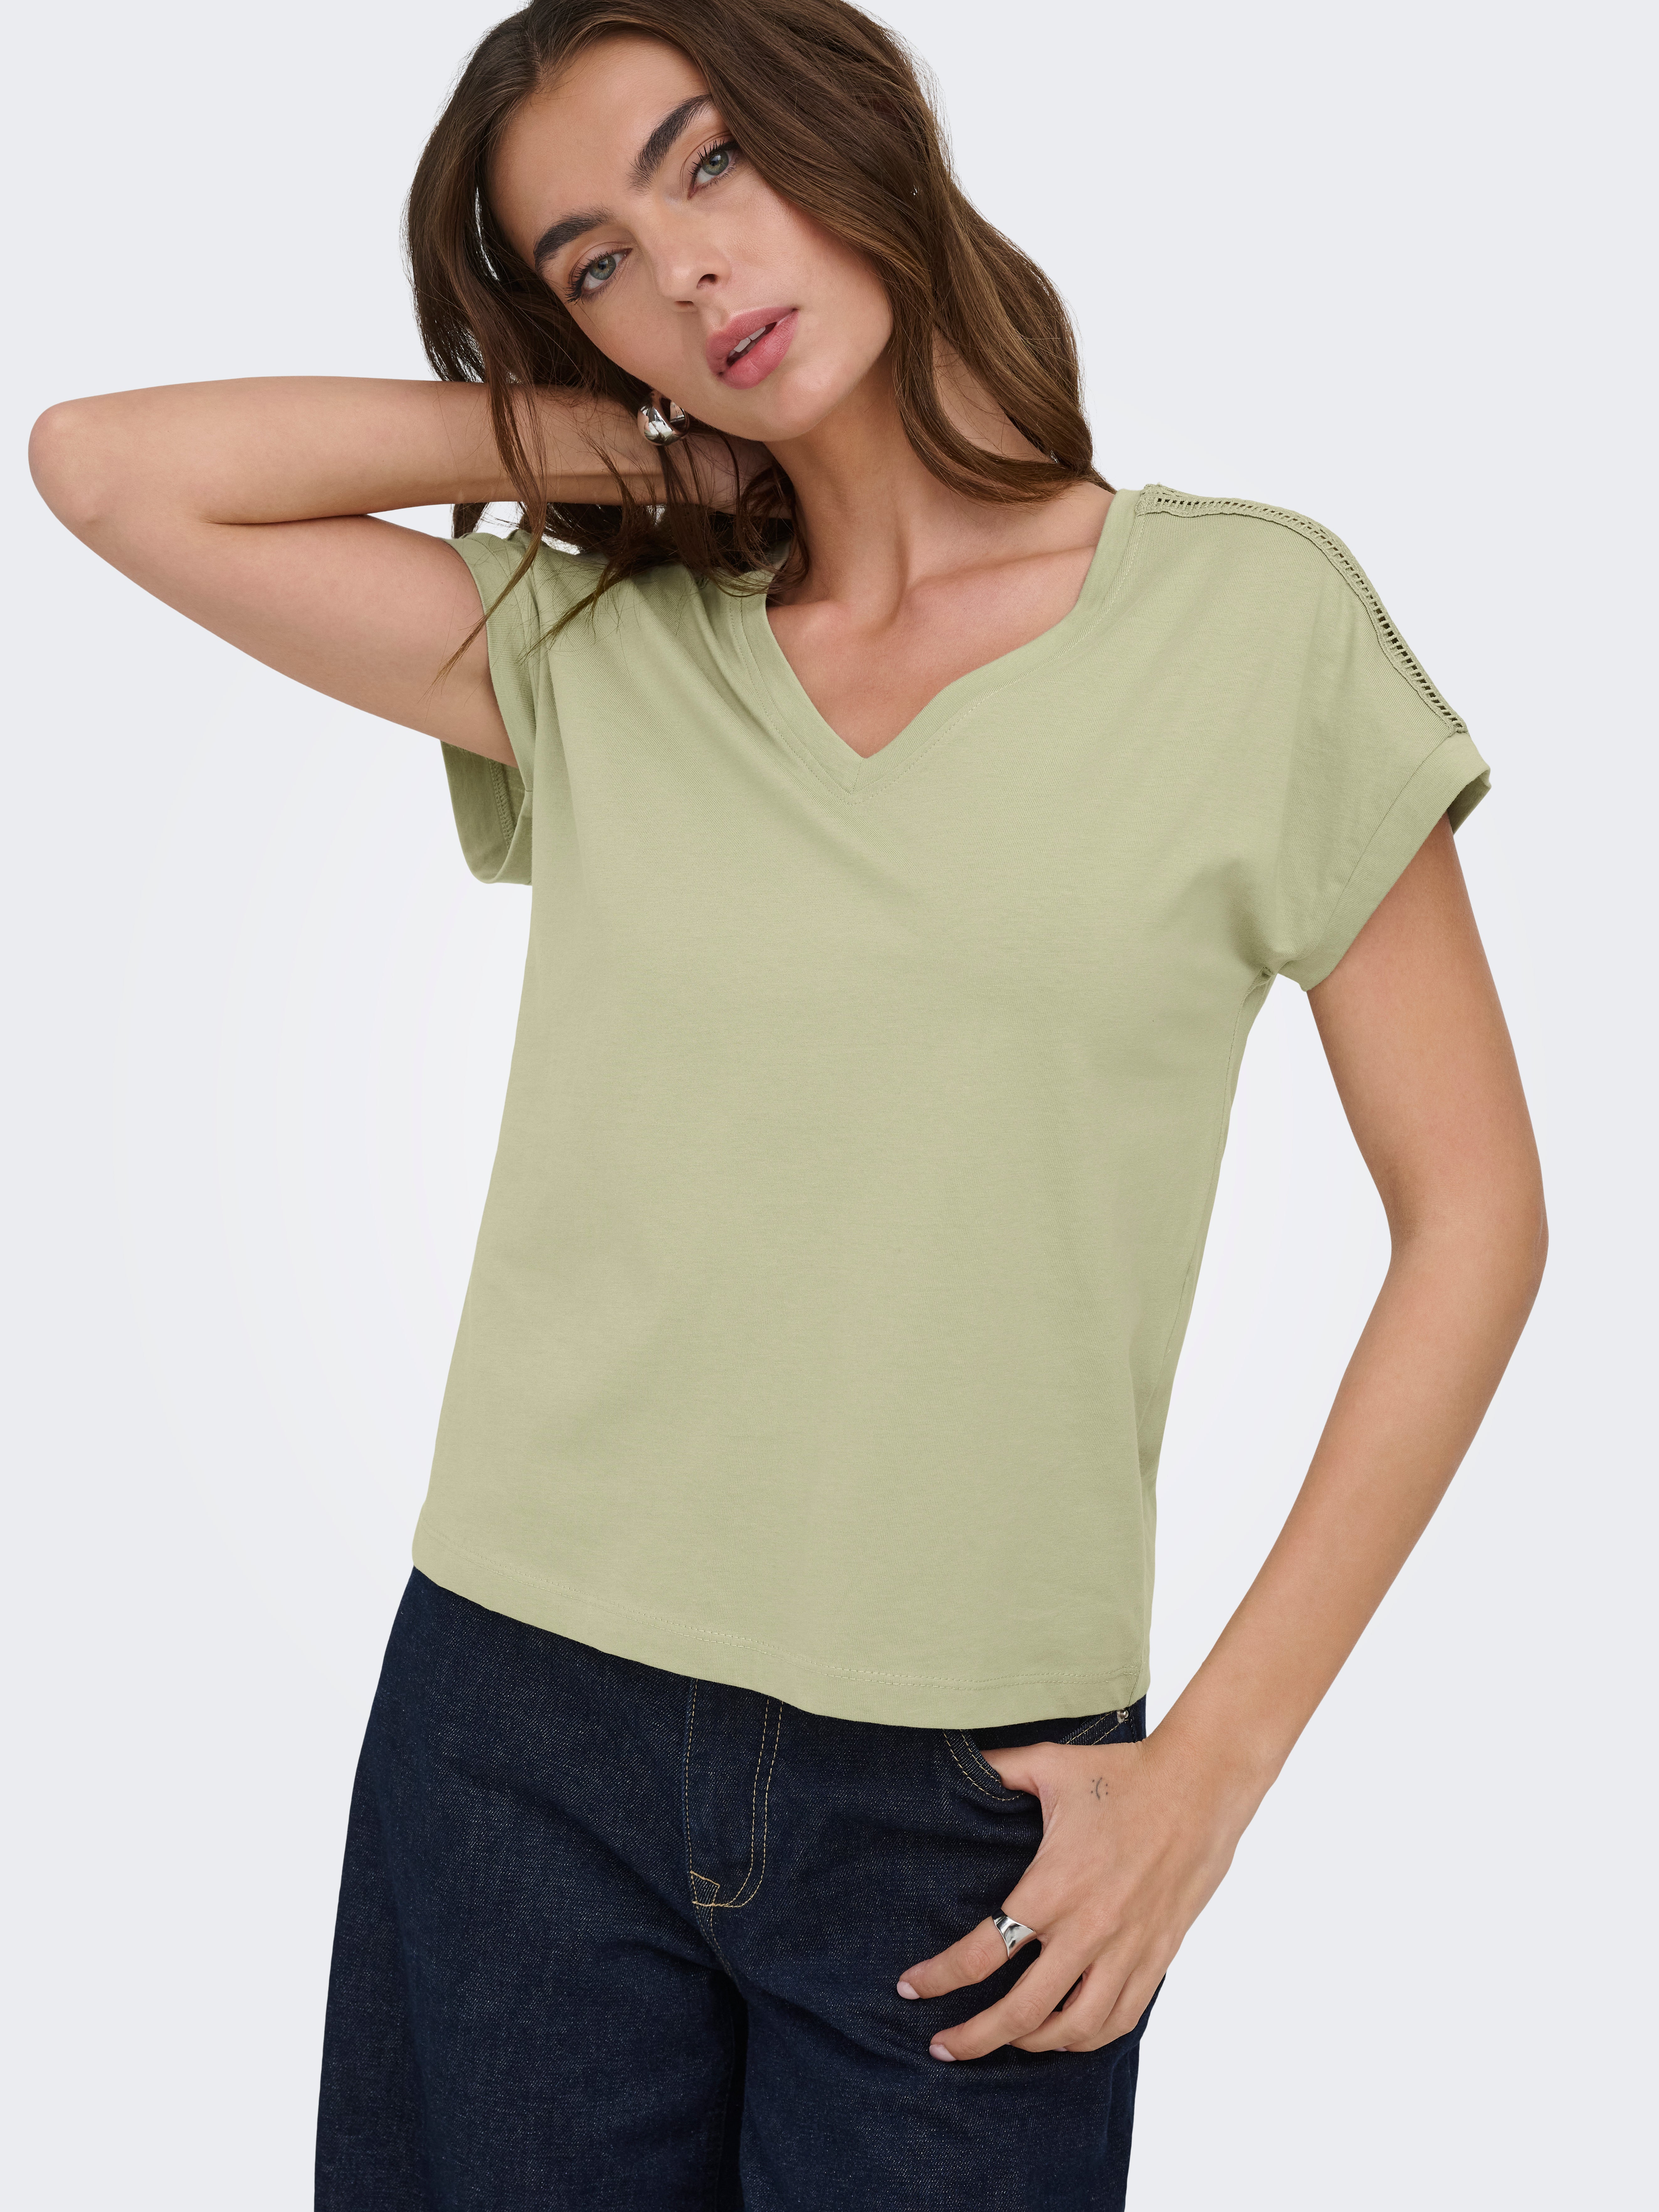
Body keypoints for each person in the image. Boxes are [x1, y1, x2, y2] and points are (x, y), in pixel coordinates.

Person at [27, 1, 1547, 2204]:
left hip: (979, 1807)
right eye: (598, 260)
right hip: (516, 1738)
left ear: (853, 121)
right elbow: (105, 465)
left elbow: (1476, 1215)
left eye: (710, 159)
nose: (687, 268)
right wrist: (630, 453)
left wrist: (1214, 1772)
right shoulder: (596, 651)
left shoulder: (1253, 623)